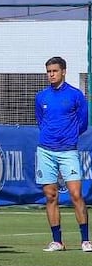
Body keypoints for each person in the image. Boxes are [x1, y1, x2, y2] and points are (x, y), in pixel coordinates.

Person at [34, 56, 90, 252]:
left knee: (76, 194)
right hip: (45, 151)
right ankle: (57, 241)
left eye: (55, 71)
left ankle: (85, 240)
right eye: (49, 71)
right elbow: (40, 121)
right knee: (50, 196)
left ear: (63, 72)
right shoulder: (41, 97)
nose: (51, 75)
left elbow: (83, 122)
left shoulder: (75, 95)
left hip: (68, 151)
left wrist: (69, 136)